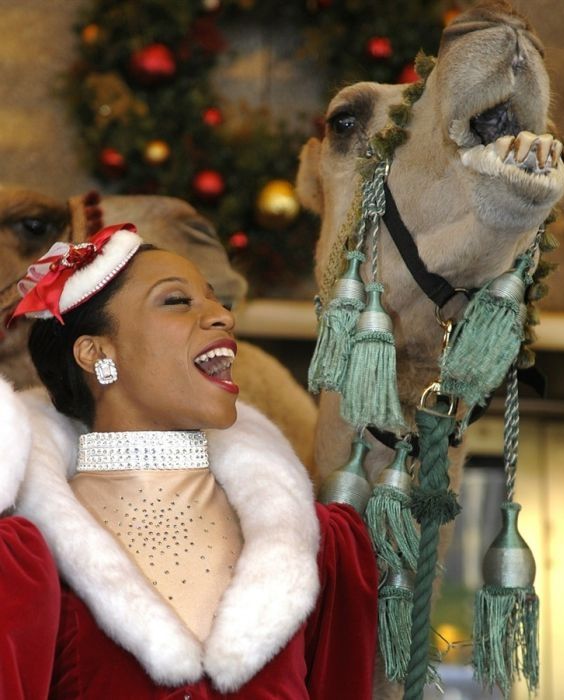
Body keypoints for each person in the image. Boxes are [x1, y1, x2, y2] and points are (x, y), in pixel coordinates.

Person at [2, 223, 378, 699]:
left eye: (216, 301)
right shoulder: (22, 560)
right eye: (177, 301)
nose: (222, 316)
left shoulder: (323, 545)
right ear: (96, 352)